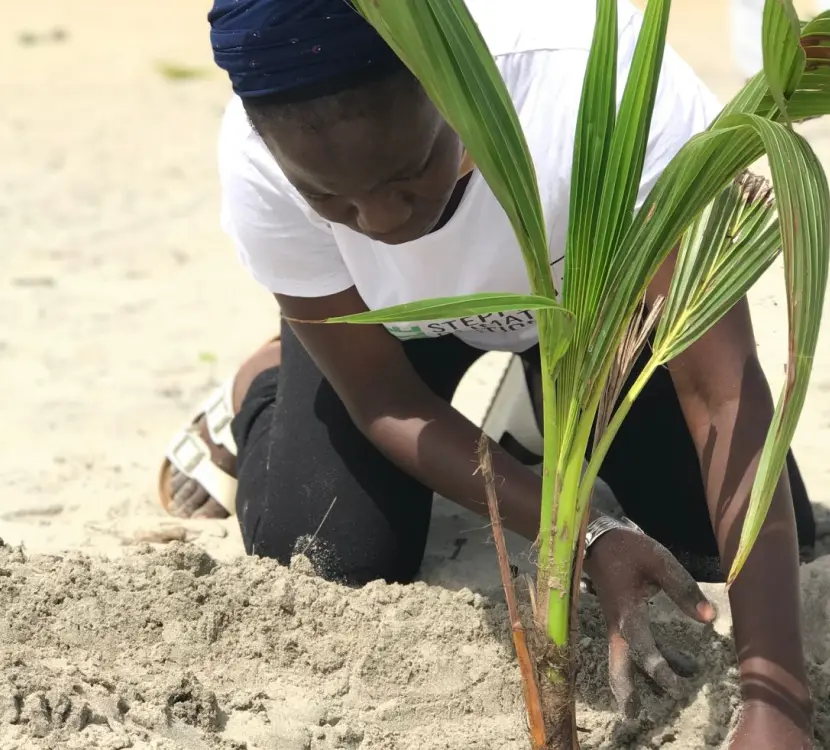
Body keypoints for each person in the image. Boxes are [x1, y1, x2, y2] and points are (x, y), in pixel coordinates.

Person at [160, 1, 818, 746]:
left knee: (708, 539)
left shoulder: (591, 82)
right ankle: (264, 382)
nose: (379, 220)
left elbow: (721, 392)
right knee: (327, 551)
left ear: (452, 87)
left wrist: (777, 704)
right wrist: (588, 532)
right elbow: (380, 394)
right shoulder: (261, 154)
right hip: (386, 331)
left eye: (408, 175)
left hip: (592, 322)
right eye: (330, 200)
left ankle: (541, 410)